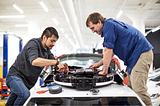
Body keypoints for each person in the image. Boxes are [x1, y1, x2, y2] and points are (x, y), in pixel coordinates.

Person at [86, 12, 153, 106]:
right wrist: (99, 64)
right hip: (134, 59)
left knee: (139, 91)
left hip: (141, 54)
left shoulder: (108, 25)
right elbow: (110, 52)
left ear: (99, 22)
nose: (93, 31)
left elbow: (108, 50)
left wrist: (104, 71)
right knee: (131, 91)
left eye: (92, 28)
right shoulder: (110, 27)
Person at [6, 27, 66, 106]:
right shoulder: (33, 43)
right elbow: (34, 61)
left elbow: (53, 60)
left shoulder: (46, 50)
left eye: (55, 41)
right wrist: (56, 62)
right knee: (24, 95)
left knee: (11, 103)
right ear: (44, 37)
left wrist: (63, 66)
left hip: (25, 83)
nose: (54, 44)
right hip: (14, 77)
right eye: (52, 40)